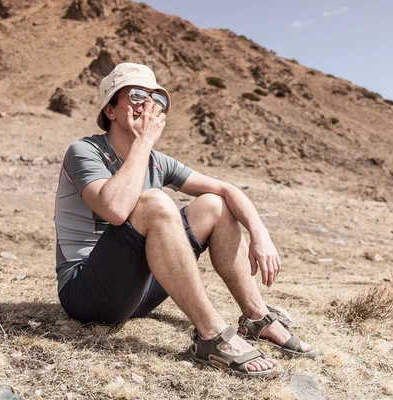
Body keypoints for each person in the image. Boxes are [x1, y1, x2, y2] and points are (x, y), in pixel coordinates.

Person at [53, 63, 317, 377]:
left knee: (214, 204)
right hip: (86, 293)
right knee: (154, 201)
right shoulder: (85, 152)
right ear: (110, 110)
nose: (148, 105)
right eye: (137, 95)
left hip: (139, 292)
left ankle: (257, 316)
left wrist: (260, 233)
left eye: (156, 99)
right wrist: (143, 143)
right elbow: (115, 210)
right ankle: (212, 337)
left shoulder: (156, 160)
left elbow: (227, 189)